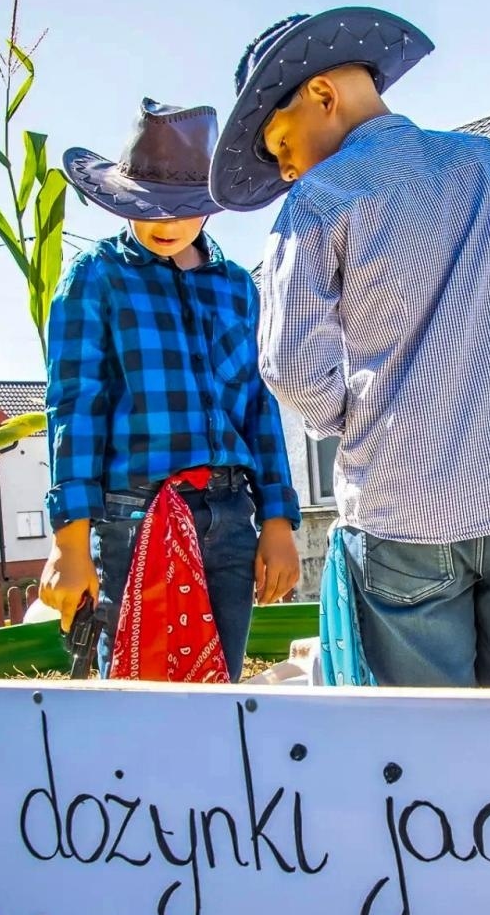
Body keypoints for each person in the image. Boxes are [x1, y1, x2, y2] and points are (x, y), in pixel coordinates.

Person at [211, 8, 490, 688]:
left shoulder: (320, 199)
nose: (286, 169)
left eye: (281, 144)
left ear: (322, 94)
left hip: (403, 507)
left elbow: (291, 364)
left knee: (431, 734)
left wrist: (348, 417)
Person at [40, 99, 300, 681]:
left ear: (210, 204)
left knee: (220, 687)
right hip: (132, 517)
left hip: (229, 514)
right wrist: (71, 543)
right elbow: (75, 406)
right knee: (139, 695)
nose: (164, 221)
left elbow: (257, 406)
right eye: (146, 204)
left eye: (182, 207)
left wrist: (277, 520)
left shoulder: (237, 288)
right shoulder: (96, 278)